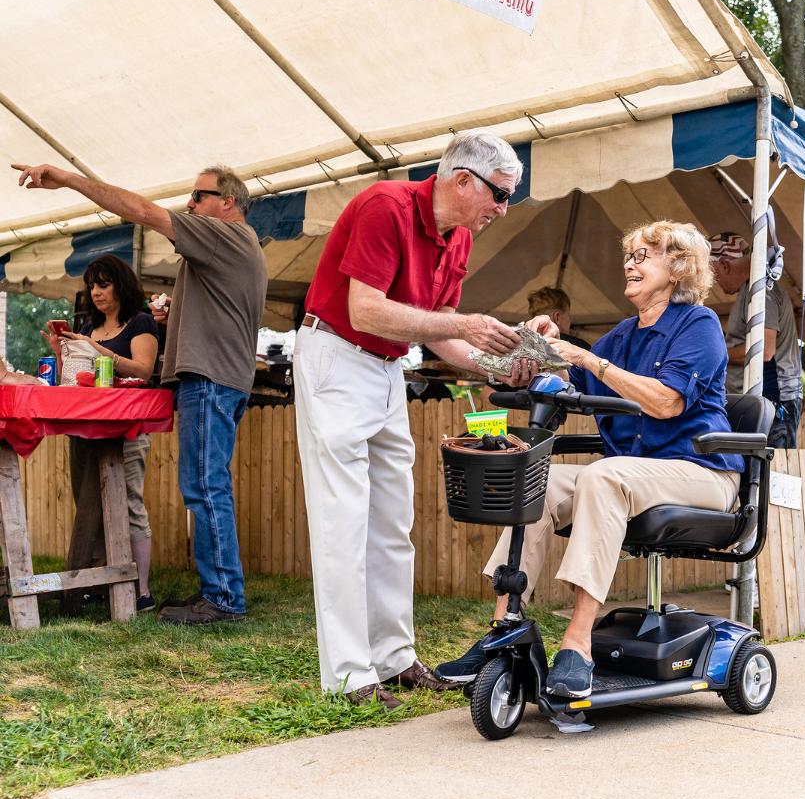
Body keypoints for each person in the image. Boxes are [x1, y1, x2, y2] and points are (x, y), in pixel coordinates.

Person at [436, 220, 743, 698]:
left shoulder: (699, 325)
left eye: (643, 256)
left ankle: (577, 643)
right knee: (539, 479)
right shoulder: (622, 336)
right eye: (629, 255)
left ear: (678, 267)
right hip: (634, 474)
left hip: (702, 471)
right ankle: (503, 629)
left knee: (604, 474)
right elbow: (566, 378)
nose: (629, 263)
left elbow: (665, 403)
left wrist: (586, 359)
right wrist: (537, 343)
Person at [294, 130, 539, 709]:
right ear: (462, 180)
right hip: (336, 356)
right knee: (343, 522)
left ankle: (395, 658)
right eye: (499, 196)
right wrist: (462, 327)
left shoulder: (458, 237)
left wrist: (497, 368)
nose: (502, 211)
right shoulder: (387, 205)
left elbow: (441, 330)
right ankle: (350, 676)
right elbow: (366, 309)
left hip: (385, 369)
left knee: (392, 523)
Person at [12, 161, 267, 625]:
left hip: (210, 381)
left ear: (228, 202)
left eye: (198, 196)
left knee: (206, 486)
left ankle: (225, 598)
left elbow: (143, 210)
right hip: (216, 379)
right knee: (205, 486)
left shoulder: (225, 235)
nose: (189, 204)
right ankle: (217, 591)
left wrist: (68, 180)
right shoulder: (236, 246)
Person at [42, 255, 159, 612]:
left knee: (129, 505)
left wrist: (96, 349)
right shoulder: (90, 326)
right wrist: (62, 355)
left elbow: (144, 369)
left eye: (103, 284)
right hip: (85, 428)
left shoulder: (142, 322)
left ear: (121, 285)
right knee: (88, 506)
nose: (95, 292)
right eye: (91, 285)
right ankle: (100, 581)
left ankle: (140, 592)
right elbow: (78, 380)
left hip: (126, 428)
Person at [710, 232, 801, 449]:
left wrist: (717, 355)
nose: (714, 282)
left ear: (724, 265)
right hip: (758, 401)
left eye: (714, 274)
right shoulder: (750, 289)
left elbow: (765, 352)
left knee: (773, 474)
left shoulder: (762, 291)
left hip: (773, 400)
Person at [526, 287, 591, 350]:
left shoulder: (524, 345)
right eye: (568, 314)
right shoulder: (581, 347)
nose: (571, 320)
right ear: (557, 318)